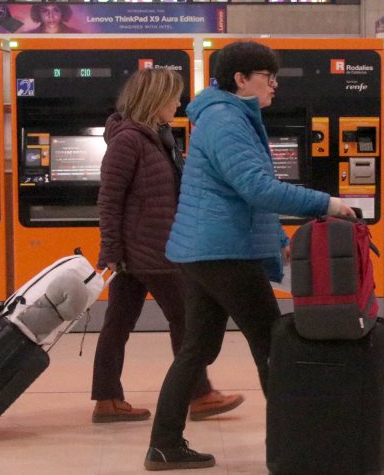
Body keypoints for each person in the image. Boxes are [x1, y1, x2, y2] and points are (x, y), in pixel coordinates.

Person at [144, 41, 355, 471]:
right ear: (241, 79)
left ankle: (164, 445)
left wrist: (276, 233)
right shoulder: (225, 119)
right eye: (267, 77)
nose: (274, 86)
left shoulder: (226, 114)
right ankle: (298, 447)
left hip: (206, 248)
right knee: (273, 345)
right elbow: (257, 188)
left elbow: (240, 193)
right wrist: (328, 204)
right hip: (222, 251)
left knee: (197, 349)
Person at [92, 68, 244, 424]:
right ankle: (199, 394)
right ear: (154, 98)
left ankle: (107, 399)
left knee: (119, 323)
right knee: (187, 321)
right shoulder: (129, 140)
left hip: (146, 248)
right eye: (173, 96)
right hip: (149, 250)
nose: (178, 103)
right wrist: (110, 252)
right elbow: (109, 200)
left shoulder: (157, 137)